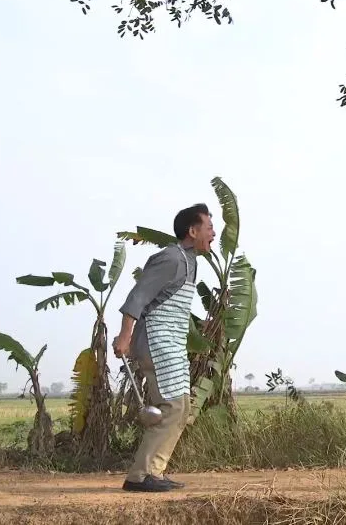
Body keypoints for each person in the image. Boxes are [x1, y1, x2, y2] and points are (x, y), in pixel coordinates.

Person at [113, 203, 215, 493]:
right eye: (209, 227)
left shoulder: (190, 260)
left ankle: (153, 472)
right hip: (157, 343)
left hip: (173, 344)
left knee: (181, 409)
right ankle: (140, 475)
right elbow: (138, 296)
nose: (214, 233)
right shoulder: (170, 258)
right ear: (192, 231)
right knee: (171, 407)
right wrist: (124, 337)